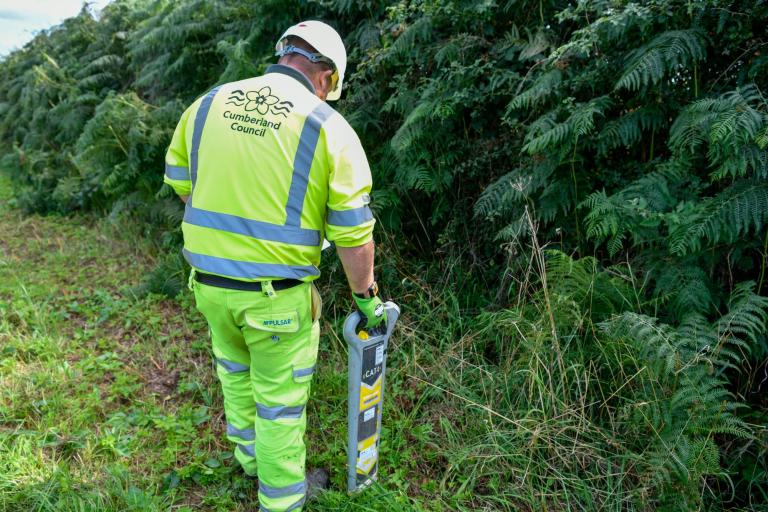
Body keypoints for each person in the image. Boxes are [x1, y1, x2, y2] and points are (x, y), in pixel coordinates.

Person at [162, 20, 387, 512]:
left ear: (285, 54)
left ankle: (250, 460)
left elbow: (181, 180)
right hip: (276, 300)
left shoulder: (207, 104)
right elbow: (353, 234)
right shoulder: (327, 126)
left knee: (235, 374)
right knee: (280, 405)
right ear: (325, 75)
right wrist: (367, 300)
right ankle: (282, 499)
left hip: (209, 286)